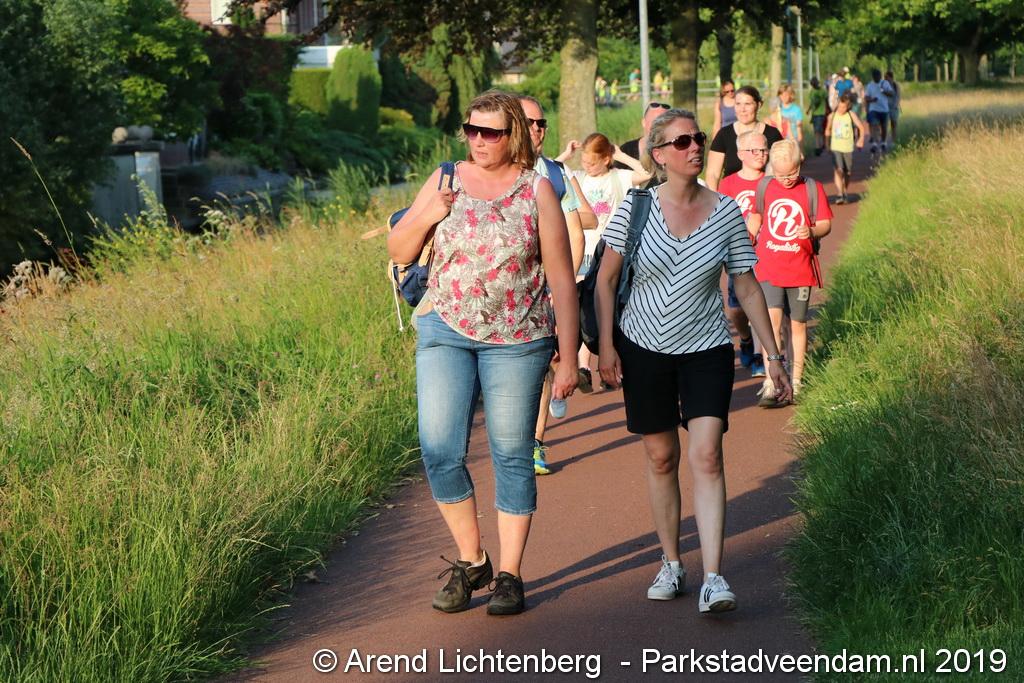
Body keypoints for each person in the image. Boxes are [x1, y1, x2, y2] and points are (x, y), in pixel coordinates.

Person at [387, 90, 579, 616]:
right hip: (445, 328)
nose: (478, 140)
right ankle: (473, 560)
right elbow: (400, 250)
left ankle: (510, 575)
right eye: (471, 129)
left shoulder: (537, 189)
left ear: (512, 134)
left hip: (518, 338)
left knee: (511, 453)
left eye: (490, 132)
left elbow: (561, 278)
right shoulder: (446, 177)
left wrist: (568, 355)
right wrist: (429, 213)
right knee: (439, 449)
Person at [594, 108, 792, 612]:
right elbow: (606, 281)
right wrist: (608, 347)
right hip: (643, 347)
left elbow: (747, 285)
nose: (695, 147)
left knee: (707, 455)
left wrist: (772, 355)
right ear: (659, 155)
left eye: (698, 138)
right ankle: (671, 562)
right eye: (681, 142)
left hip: (706, 348)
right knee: (662, 457)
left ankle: (714, 578)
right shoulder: (637, 207)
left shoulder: (725, 211)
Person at [520, 95, 590, 476]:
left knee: (544, 364)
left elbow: (576, 233)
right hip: (503, 294)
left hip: (544, 290)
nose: (536, 129)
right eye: (528, 122)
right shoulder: (491, 173)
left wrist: (562, 285)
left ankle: (534, 443)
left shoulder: (556, 174)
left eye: (541, 123)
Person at [557, 133, 652, 391]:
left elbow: (646, 173)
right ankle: (584, 367)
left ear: (606, 159)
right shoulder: (579, 178)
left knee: (609, 307)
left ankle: (612, 361)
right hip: (585, 250)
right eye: (584, 162)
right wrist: (567, 154)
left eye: (592, 162)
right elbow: (550, 172)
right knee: (585, 307)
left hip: (612, 253)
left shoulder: (619, 177)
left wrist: (621, 155)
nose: (587, 166)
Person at [746, 139, 832, 404]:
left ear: (800, 164)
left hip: (800, 268)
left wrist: (813, 230)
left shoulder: (812, 188)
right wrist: (749, 233)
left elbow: (826, 223)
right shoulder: (765, 186)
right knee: (771, 323)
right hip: (769, 265)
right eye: (780, 174)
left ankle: (796, 379)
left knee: (798, 324)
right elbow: (758, 214)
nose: (786, 180)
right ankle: (771, 380)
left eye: (792, 173)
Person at [706, 85, 784, 370]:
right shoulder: (725, 135)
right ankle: (747, 340)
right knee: (737, 308)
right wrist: (714, 212)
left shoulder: (772, 134)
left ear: (758, 105)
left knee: (767, 297)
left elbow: (783, 168)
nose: (741, 108)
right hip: (735, 217)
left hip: (766, 223)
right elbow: (712, 173)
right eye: (737, 103)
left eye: (747, 103)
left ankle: (772, 354)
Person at [718, 130, 770, 378]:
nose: (761, 154)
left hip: (767, 255)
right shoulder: (728, 184)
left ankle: (760, 356)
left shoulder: (771, 181)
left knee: (761, 305)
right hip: (738, 256)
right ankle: (746, 339)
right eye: (754, 150)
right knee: (737, 311)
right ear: (740, 154)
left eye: (764, 149)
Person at [825, 91, 868, 204]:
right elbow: (827, 130)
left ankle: (844, 190)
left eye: (843, 107)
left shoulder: (851, 115)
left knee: (847, 172)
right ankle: (840, 193)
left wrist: (861, 140)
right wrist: (827, 145)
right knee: (838, 169)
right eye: (839, 106)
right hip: (836, 147)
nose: (841, 109)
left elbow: (861, 127)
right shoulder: (832, 116)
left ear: (848, 106)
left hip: (848, 148)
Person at [615, 101, 671, 180]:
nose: (659, 127)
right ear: (644, 122)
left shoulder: (675, 150)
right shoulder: (627, 150)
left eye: (664, 123)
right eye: (655, 122)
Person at [864, 68, 894, 156]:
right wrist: (872, 100)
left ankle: (883, 142)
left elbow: (892, 94)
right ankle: (874, 143)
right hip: (874, 109)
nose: (877, 78)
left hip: (884, 109)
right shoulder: (870, 85)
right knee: (874, 125)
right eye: (876, 76)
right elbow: (866, 97)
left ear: (880, 76)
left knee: (884, 127)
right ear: (873, 77)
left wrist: (884, 91)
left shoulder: (885, 83)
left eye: (879, 76)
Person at [807, 76, 829, 156]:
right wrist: (808, 110)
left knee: (819, 130)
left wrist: (828, 109)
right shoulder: (812, 91)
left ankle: (819, 146)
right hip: (814, 114)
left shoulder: (822, 91)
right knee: (816, 130)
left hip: (821, 113)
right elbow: (812, 102)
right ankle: (819, 145)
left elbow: (826, 101)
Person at [884, 70, 901, 143]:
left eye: (886, 77)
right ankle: (884, 141)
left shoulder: (896, 85)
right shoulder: (884, 85)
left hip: (894, 108)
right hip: (885, 108)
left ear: (890, 77)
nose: (885, 78)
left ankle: (893, 141)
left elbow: (898, 96)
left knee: (894, 125)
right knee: (885, 125)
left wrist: (896, 105)